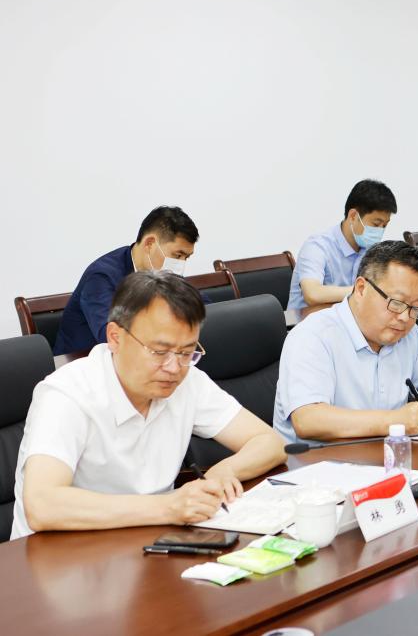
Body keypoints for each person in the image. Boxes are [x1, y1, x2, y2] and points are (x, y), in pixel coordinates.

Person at [12, 271, 286, 539]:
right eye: (159, 351)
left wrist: (222, 473)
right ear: (115, 338)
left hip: (146, 538)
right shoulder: (67, 394)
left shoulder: (188, 380)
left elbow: (269, 442)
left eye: (186, 352)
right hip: (59, 553)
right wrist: (168, 506)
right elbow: (42, 504)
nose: (174, 367)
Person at [274, 241, 418, 443]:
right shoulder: (313, 335)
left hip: (386, 455)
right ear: (361, 288)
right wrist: (395, 421)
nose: (404, 317)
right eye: (397, 303)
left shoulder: (408, 335)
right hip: (318, 463)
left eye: (415, 307)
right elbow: (308, 419)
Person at [54, 206, 199, 355]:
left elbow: (202, 308)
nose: (181, 264)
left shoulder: (164, 273)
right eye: (177, 255)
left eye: (186, 257)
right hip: (82, 361)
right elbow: (111, 335)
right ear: (149, 244)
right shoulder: (101, 276)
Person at [287, 179, 398, 310]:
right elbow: (312, 294)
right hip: (305, 320)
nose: (380, 231)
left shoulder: (370, 250)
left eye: (384, 225)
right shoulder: (317, 246)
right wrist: (363, 289)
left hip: (345, 319)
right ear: (353, 216)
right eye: (376, 224)